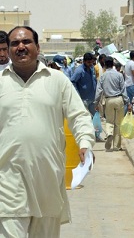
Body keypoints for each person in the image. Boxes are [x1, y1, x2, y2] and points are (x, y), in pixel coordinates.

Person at [0, 26, 95, 237]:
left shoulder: (57, 80)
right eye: (14, 43)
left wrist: (85, 143)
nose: (20, 47)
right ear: (8, 49)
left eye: (26, 42)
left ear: (37, 47)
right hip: (8, 183)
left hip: (47, 181)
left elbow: (79, 115)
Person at [94, 56, 131, 152]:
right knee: (118, 123)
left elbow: (98, 91)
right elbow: (123, 89)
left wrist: (96, 103)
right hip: (119, 99)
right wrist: (128, 102)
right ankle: (116, 146)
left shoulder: (103, 76)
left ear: (105, 65)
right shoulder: (119, 75)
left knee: (109, 121)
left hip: (108, 100)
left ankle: (109, 134)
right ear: (113, 64)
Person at [71, 52, 97, 117]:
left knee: (94, 116)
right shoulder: (79, 70)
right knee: (85, 117)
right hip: (83, 98)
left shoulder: (92, 68)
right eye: (88, 62)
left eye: (91, 62)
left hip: (92, 97)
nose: (90, 64)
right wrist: (77, 94)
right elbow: (72, 81)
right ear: (84, 61)